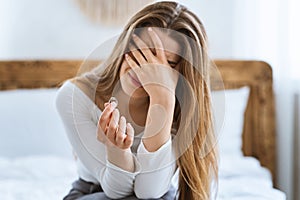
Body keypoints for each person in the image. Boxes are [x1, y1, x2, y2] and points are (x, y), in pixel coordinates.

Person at [56, 1, 218, 200]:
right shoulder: (74, 96)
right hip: (93, 191)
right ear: (125, 45)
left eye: (166, 64)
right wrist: (117, 152)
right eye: (142, 52)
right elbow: (115, 191)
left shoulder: (180, 108)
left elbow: (149, 192)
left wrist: (163, 101)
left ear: (183, 74)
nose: (145, 70)